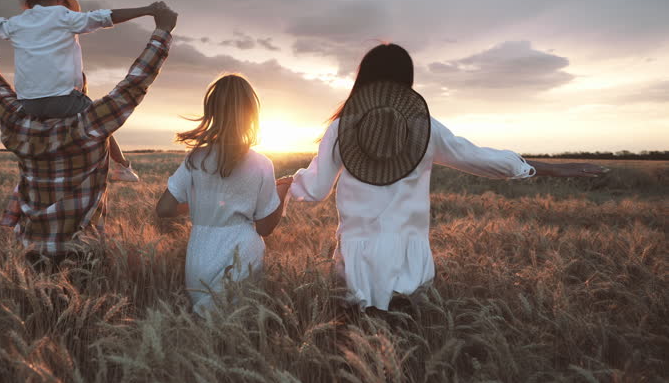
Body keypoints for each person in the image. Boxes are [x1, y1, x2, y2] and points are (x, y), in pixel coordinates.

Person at [283, 43, 608, 312]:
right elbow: (478, 158)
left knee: (353, 354)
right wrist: (539, 166)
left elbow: (313, 189)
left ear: (364, 78)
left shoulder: (342, 127)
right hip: (409, 257)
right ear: (405, 81)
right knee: (406, 354)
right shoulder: (425, 127)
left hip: (357, 257)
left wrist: (275, 183)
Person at [0, 3, 178, 262]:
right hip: (82, 256)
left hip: (27, 254)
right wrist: (162, 31)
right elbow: (134, 84)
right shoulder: (88, 125)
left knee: (32, 303)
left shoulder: (16, 122)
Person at [0, 0, 160, 181]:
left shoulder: (15, 23)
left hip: (27, 103)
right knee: (100, 122)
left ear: (29, 3)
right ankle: (122, 167)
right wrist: (147, 10)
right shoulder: (63, 15)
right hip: (63, 100)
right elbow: (105, 17)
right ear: (60, 0)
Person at [155, 74, 291, 316]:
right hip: (242, 255)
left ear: (212, 112)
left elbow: (164, 208)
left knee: (202, 330)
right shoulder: (261, 164)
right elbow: (265, 227)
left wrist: (197, 205)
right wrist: (283, 190)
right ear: (252, 114)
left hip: (199, 256)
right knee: (235, 334)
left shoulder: (195, 158)